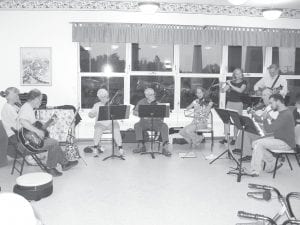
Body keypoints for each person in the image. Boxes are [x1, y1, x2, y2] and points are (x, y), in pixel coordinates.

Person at [18, 89, 78, 177]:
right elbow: (23, 121)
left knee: (53, 142)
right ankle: (51, 168)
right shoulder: (26, 108)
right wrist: (37, 131)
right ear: (35, 99)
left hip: (29, 138)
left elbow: (35, 126)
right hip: (27, 142)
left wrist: (48, 124)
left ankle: (64, 163)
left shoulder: (28, 107)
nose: (41, 102)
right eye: (40, 99)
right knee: (53, 143)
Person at [249, 94, 296, 176]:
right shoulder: (283, 112)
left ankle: (255, 171)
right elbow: (278, 124)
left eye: (271, 103)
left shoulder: (285, 114)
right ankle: (273, 162)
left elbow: (269, 129)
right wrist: (270, 118)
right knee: (254, 143)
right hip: (279, 138)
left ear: (278, 101)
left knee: (259, 144)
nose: (270, 106)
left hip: (286, 143)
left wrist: (265, 118)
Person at [234, 88, 278, 162]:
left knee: (247, 130)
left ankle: (245, 152)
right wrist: (254, 114)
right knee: (245, 129)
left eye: (264, 95)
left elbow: (273, 124)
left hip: (270, 133)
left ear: (271, 96)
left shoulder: (274, 107)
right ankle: (243, 151)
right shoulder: (267, 107)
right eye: (262, 95)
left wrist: (258, 119)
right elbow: (261, 119)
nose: (262, 97)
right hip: (264, 130)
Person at [133, 88, 171, 156]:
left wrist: (161, 108)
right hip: (144, 123)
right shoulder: (141, 102)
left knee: (164, 126)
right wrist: (142, 115)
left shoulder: (157, 102)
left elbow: (165, 113)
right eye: (151, 95)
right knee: (137, 125)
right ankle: (142, 146)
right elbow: (134, 112)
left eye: (153, 94)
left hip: (156, 123)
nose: (153, 96)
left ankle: (165, 148)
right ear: (146, 95)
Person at [88, 88, 124, 157]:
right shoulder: (97, 105)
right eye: (101, 97)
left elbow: (119, 112)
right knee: (97, 130)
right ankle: (95, 147)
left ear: (107, 96)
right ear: (99, 98)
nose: (103, 99)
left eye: (104, 96)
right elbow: (91, 114)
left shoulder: (112, 103)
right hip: (100, 123)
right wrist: (91, 114)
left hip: (112, 122)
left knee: (116, 129)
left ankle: (120, 147)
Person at [219, 68, 247, 145]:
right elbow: (223, 91)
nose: (238, 75)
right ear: (234, 75)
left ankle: (234, 138)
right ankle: (226, 138)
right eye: (236, 74)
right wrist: (221, 85)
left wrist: (230, 84)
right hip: (229, 103)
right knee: (226, 120)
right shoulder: (231, 82)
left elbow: (240, 90)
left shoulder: (244, 82)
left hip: (238, 103)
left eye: (240, 73)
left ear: (242, 74)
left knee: (236, 122)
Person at [0, 87, 21, 167]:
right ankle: (30, 156)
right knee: (30, 135)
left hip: (15, 131)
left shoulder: (14, 106)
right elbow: (20, 121)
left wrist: (19, 104)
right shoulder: (8, 108)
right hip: (12, 134)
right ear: (8, 97)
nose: (17, 96)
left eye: (17, 94)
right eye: (15, 95)